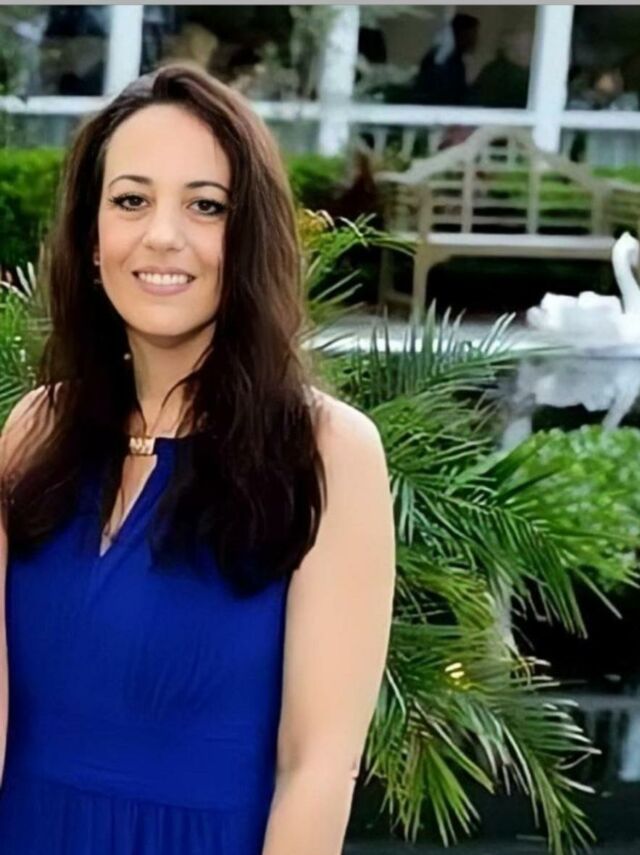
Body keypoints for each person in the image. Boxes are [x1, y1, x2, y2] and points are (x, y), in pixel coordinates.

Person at [0, 63, 396, 854]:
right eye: (131, 200)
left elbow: (317, 768)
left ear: (249, 238)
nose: (162, 235)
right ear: (90, 238)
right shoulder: (33, 431)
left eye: (206, 205)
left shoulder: (327, 451)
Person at [412, 12, 479, 105]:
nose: (475, 40)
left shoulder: (453, 61)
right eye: (472, 35)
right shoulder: (444, 62)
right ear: (461, 35)